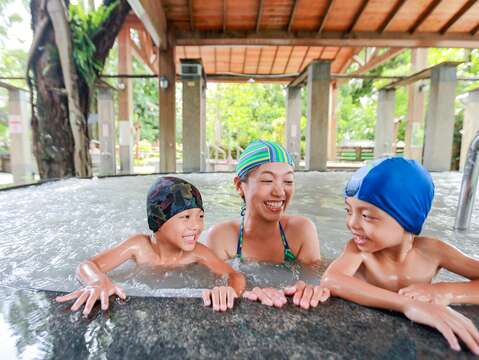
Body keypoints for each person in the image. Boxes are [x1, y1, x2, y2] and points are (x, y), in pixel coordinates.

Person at [316, 157, 479, 354]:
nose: (352, 223)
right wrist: (408, 305)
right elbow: (332, 280)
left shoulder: (433, 251)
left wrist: (445, 291)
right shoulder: (358, 251)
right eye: (348, 211)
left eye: (366, 215)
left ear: (407, 218)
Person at [56, 176, 246, 315]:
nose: (196, 226)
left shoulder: (197, 253)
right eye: (186, 217)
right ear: (158, 221)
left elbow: (234, 275)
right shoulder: (139, 246)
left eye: (200, 216)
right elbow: (87, 266)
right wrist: (98, 281)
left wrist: (230, 290)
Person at [206, 140, 324, 308]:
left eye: (288, 181)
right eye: (268, 181)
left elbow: (313, 280)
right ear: (240, 186)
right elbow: (218, 287)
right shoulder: (222, 236)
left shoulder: (300, 231)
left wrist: (310, 290)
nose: (280, 192)